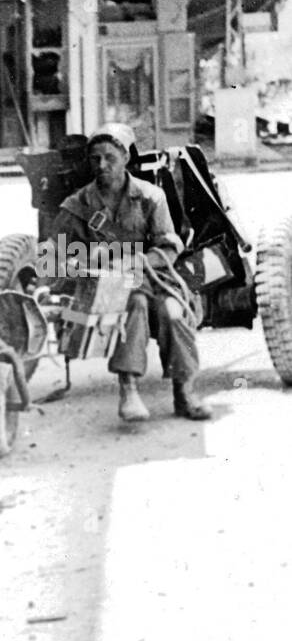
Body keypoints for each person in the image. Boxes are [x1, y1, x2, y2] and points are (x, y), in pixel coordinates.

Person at [45, 123, 210, 421]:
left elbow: (170, 246)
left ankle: (184, 390)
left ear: (125, 158)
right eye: (95, 159)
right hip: (106, 285)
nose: (102, 165)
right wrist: (74, 267)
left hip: (151, 275)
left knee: (173, 311)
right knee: (134, 304)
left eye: (109, 157)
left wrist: (142, 262)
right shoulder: (77, 205)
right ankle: (129, 389)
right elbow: (51, 254)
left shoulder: (150, 197)